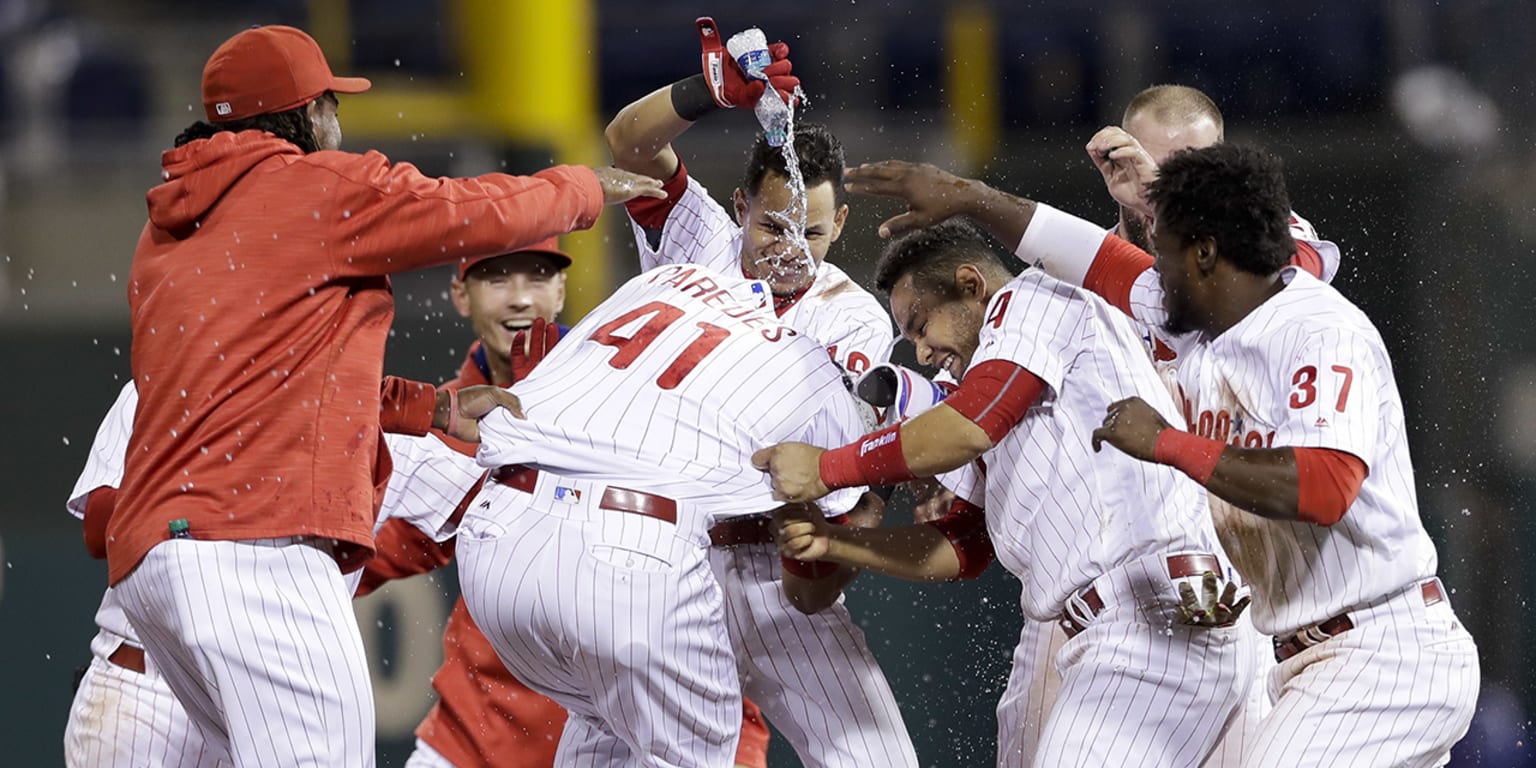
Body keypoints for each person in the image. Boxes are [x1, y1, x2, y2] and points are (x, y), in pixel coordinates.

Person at [103, 24, 663, 765]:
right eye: (331, 102)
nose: (338, 118)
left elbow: (267, 379)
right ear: (304, 113)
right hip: (254, 547)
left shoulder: (168, 228)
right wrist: (582, 187)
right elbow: (472, 211)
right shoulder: (313, 186)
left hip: (154, 565)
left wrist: (418, 408)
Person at [843, 145, 1480, 766]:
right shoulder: (1205, 321)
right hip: (1303, 654)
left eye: (1164, 254)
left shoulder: (1314, 328)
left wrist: (1168, 443)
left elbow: (1325, 485)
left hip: (1384, 649)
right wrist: (974, 199)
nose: (1151, 272)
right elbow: (1096, 260)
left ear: (1204, 255)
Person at [755, 219, 1257, 766]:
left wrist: (828, 469)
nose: (921, 352)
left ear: (972, 285)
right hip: (1118, 626)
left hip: (1155, 614)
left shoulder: (1033, 300)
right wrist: (833, 544)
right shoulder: (996, 380)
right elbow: (963, 544)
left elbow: (968, 425)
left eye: (922, 326)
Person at [603, 20, 916, 767]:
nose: (790, 247)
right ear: (741, 203)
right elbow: (630, 144)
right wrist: (708, 93)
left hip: (767, 564)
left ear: (840, 222)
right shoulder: (702, 238)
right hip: (659, 553)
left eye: (811, 230)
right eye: (773, 223)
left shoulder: (852, 314)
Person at [356, 240, 771, 768]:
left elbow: (723, 589)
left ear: (561, 290)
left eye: (537, 277)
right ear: (461, 294)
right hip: (477, 742)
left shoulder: (647, 405)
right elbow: (347, 552)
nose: (520, 299)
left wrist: (736, 739)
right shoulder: (440, 430)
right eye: (497, 279)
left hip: (621, 740)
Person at [454, 263, 877, 766]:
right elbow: (836, 499)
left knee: (607, 732)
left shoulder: (663, 279)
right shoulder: (807, 360)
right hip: (629, 551)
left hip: (496, 537)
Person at [63, 380, 495, 767]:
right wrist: (224, 489)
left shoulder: (364, 419)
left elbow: (493, 502)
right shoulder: (163, 381)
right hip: (152, 698)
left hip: (274, 709)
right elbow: (100, 527)